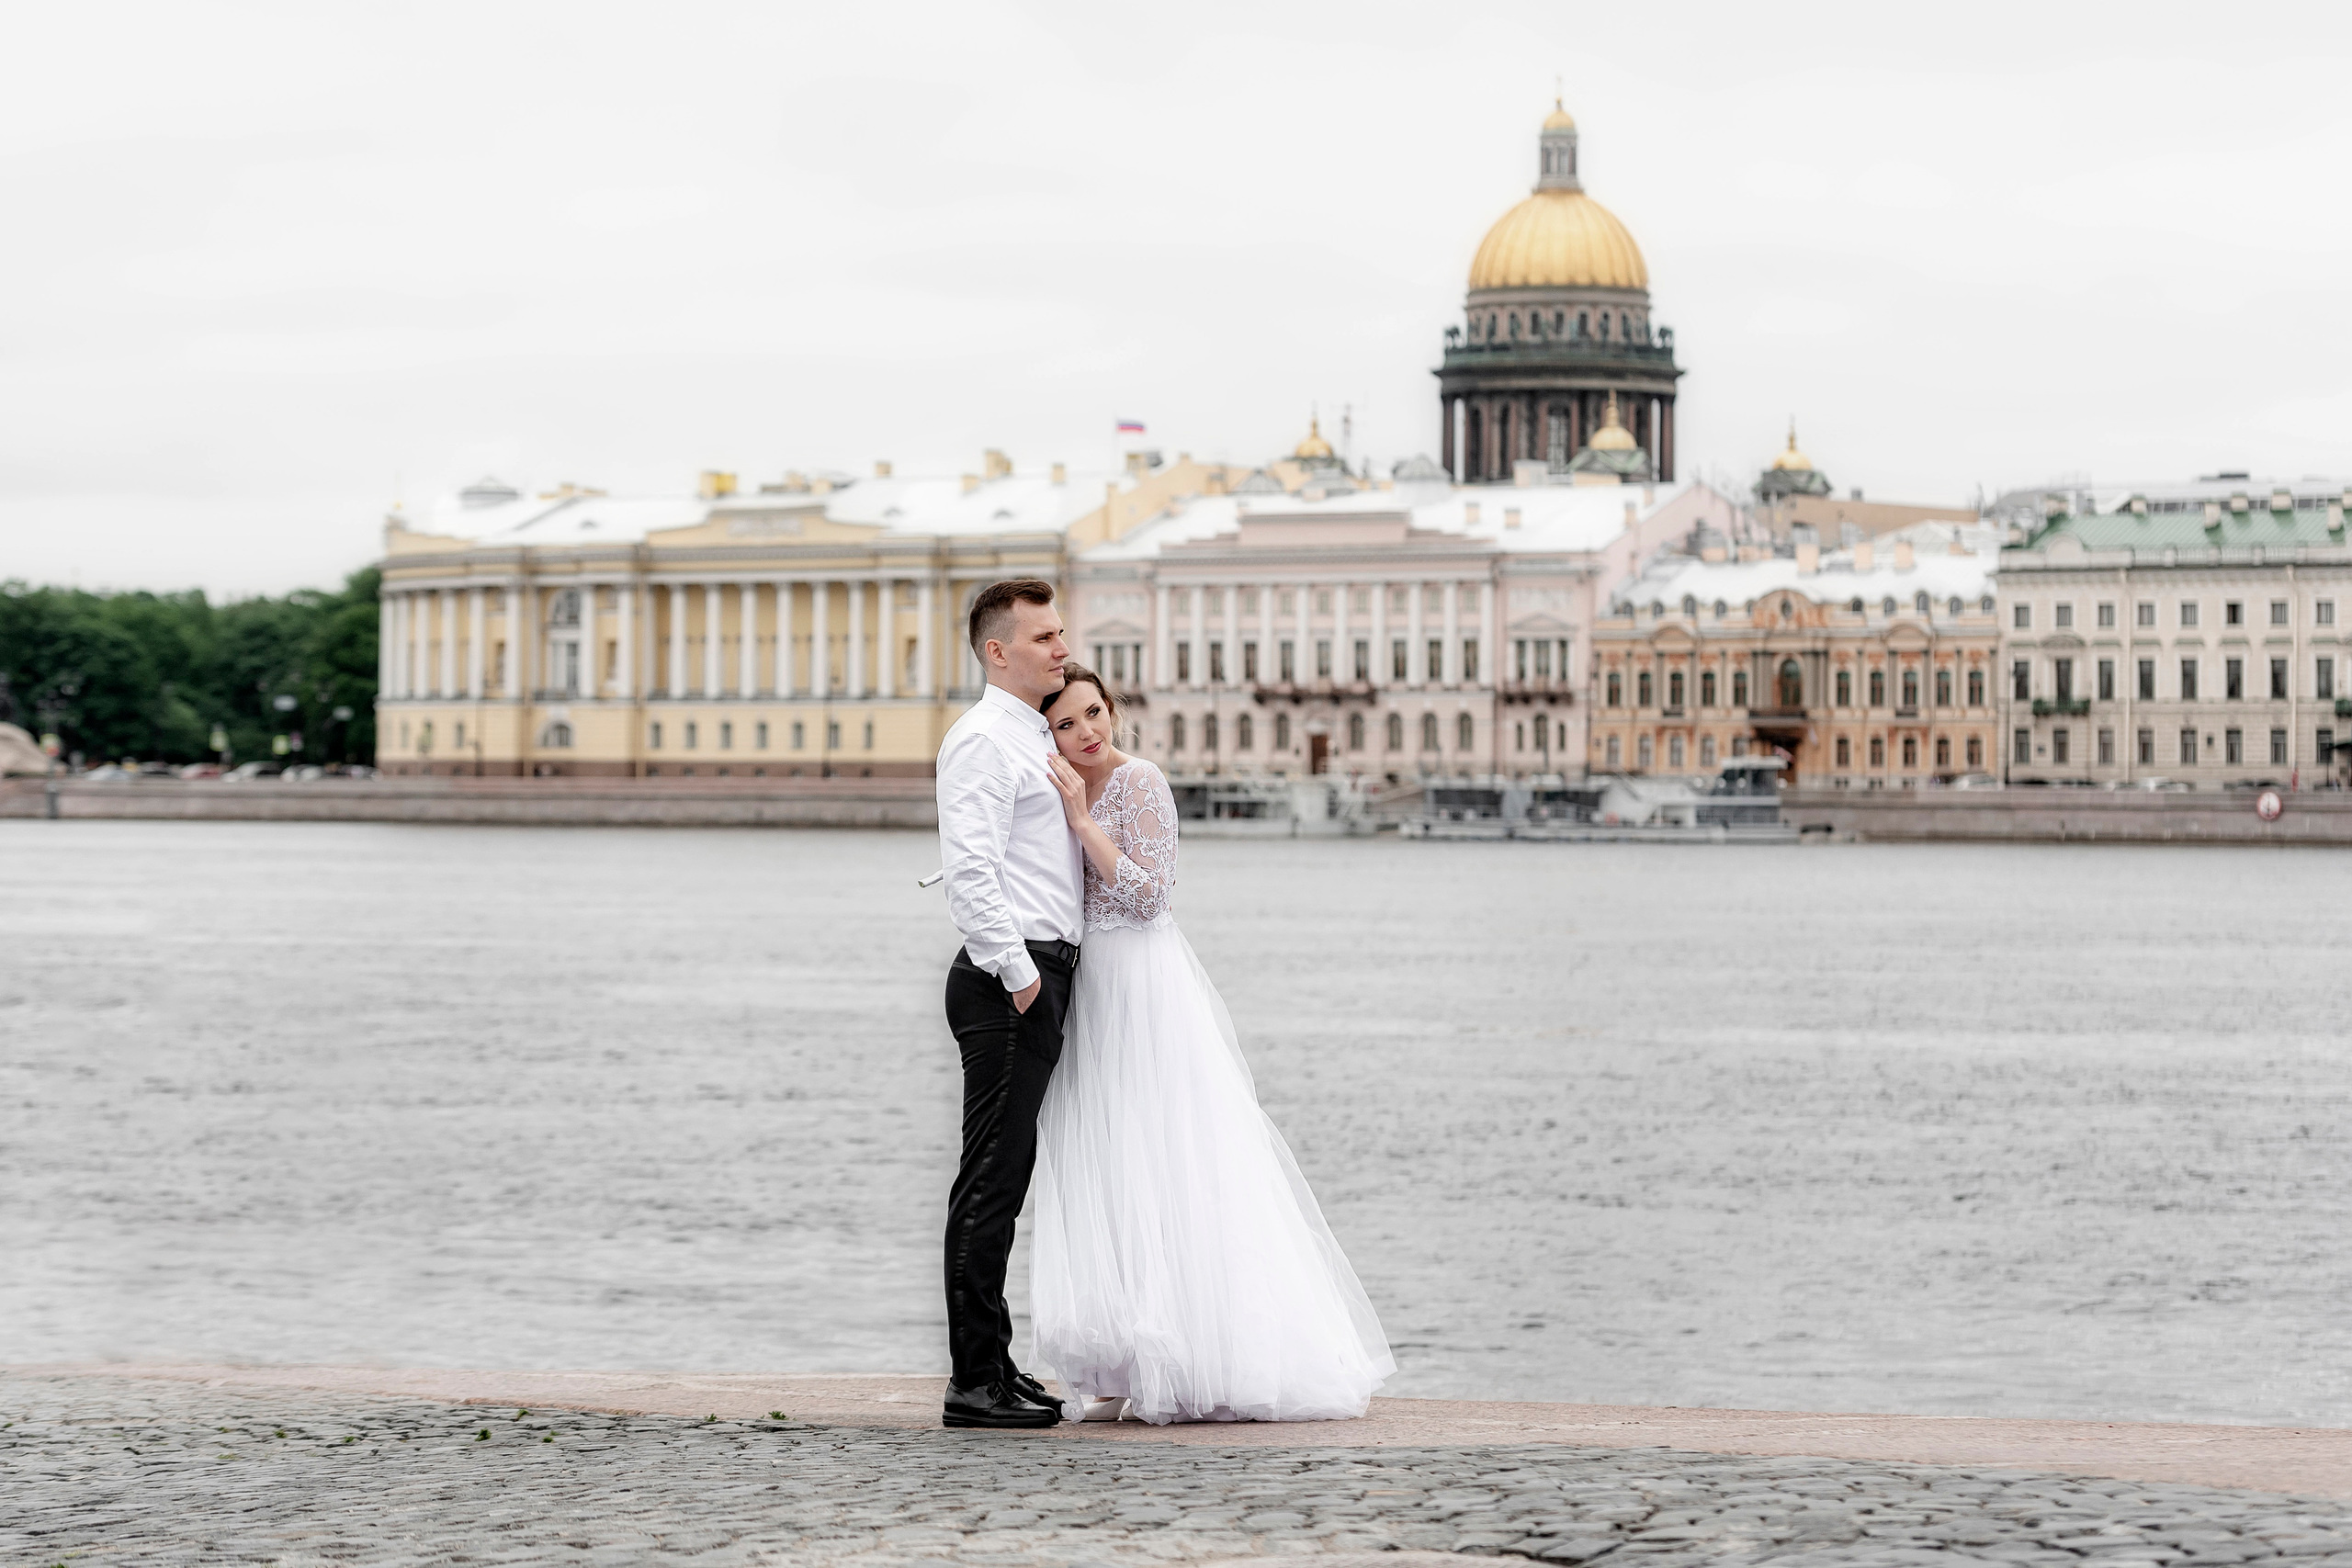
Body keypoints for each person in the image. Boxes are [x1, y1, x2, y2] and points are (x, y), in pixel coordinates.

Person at [1027, 664, 1395, 1423]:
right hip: (1087, 986)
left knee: (1172, 1157)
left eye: (1094, 713)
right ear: (1050, 735)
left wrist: (1083, 824)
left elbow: (1151, 893)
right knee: (1111, 1163)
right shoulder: (1059, 788)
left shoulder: (1140, 782)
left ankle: (1199, 1352)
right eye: (1068, 723)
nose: (1087, 731)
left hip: (1144, 986)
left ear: (1113, 710)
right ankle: (1120, 1358)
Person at [934, 579, 1083, 1429]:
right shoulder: (985, 740)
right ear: (999, 651)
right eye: (1044, 638)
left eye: (1061, 634)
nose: (1061, 649)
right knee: (989, 1184)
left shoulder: (1029, 738)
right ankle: (972, 1382)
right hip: (1007, 981)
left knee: (1008, 1177)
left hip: (1034, 973)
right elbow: (973, 871)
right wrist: (1022, 977)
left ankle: (997, 1361)